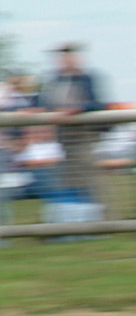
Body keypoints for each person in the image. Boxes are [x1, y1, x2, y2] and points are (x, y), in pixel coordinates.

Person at [40, 42, 105, 203]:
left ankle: (101, 217)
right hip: (61, 138)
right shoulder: (53, 81)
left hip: (83, 138)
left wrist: (79, 108)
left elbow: (98, 103)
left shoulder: (86, 78)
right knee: (67, 178)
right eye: (63, 56)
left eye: (69, 56)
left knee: (89, 177)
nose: (66, 60)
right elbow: (44, 103)